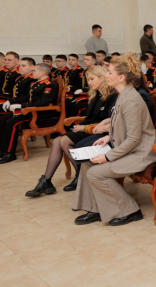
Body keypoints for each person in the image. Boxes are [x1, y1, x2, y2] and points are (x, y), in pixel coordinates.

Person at [72, 53, 156, 226]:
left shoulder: (131, 99)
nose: (106, 75)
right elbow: (121, 124)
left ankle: (130, 210)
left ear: (121, 77)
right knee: (87, 163)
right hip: (129, 150)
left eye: (109, 72)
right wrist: (108, 137)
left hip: (141, 154)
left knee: (95, 173)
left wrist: (107, 157)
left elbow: (133, 139)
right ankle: (94, 208)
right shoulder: (123, 94)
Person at [26, 65, 117, 196]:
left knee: (64, 141)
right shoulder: (95, 94)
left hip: (100, 132)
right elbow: (89, 118)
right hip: (89, 128)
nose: (89, 82)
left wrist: (84, 127)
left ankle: (79, 176)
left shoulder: (112, 95)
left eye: (92, 79)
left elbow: (109, 122)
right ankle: (46, 180)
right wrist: (80, 126)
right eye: (88, 79)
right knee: (57, 141)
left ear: (102, 78)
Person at [0, 63, 60, 164]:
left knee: (11, 123)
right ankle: (0, 149)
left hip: (41, 112)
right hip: (30, 110)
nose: (32, 72)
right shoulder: (36, 83)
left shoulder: (49, 85)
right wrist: (11, 101)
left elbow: (42, 103)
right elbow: (26, 97)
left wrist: (22, 106)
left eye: (34, 71)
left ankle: (10, 153)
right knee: (1, 119)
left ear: (42, 73)